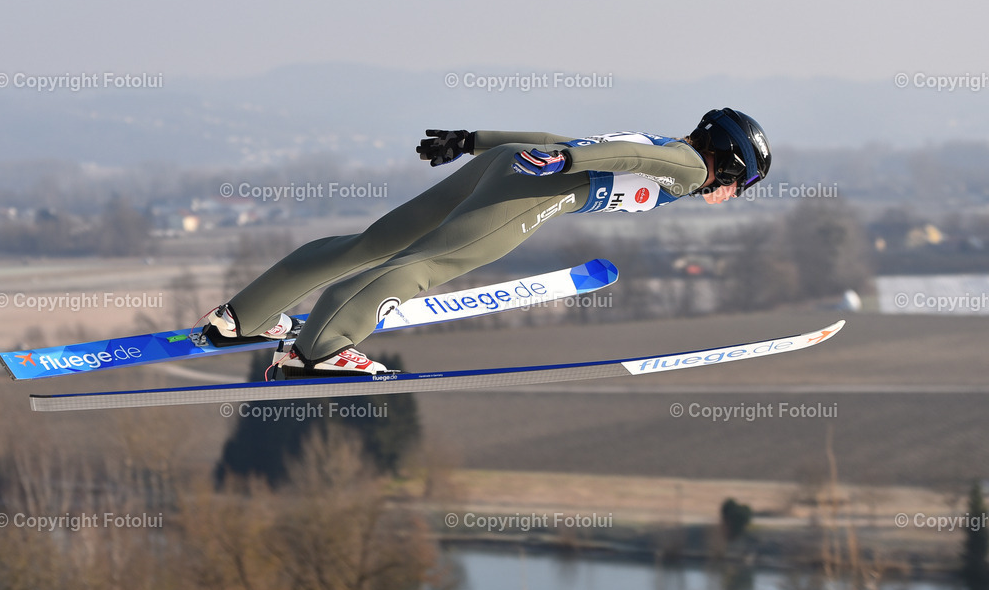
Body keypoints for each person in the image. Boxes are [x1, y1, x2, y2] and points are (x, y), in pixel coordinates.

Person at [206, 108, 772, 375]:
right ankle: (318, 349)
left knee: (373, 243)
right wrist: (567, 162)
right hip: (533, 188)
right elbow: (632, 158)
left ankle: (243, 316)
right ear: (727, 160)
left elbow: (564, 137)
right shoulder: (689, 166)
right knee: (429, 263)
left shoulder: (671, 144)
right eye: (741, 183)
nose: (732, 193)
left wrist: (476, 140)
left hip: (508, 165)